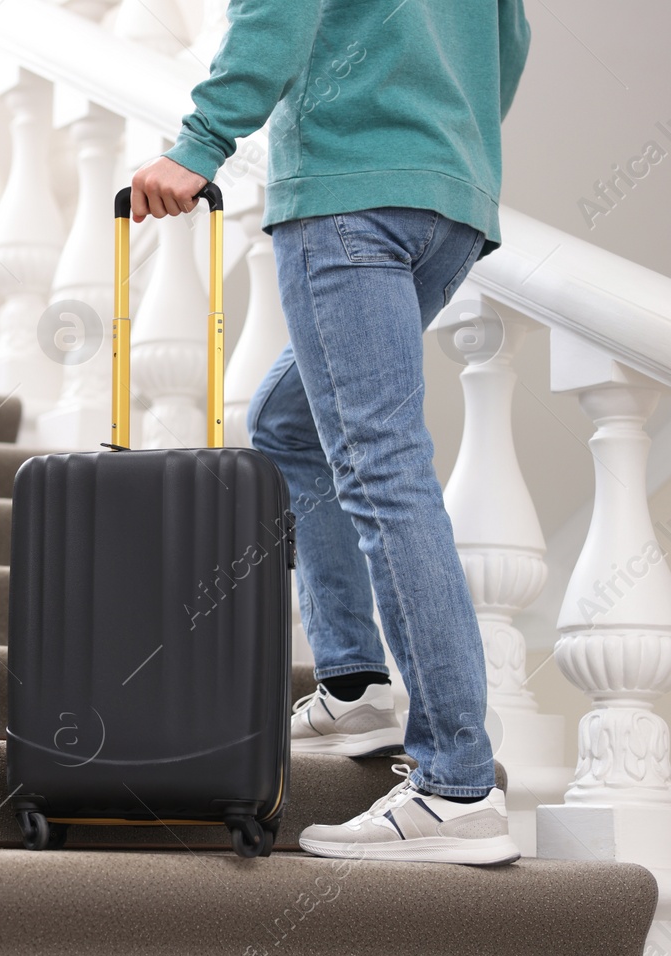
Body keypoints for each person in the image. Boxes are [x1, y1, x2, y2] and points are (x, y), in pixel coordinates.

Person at [130, 0, 530, 865]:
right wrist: (440, 147)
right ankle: (354, 684)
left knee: (384, 468)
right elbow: (509, 39)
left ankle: (455, 783)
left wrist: (197, 146)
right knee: (290, 423)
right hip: (447, 202)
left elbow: (277, 14)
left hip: (351, 198)